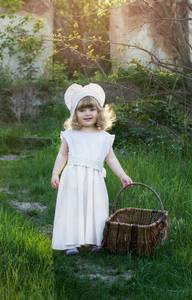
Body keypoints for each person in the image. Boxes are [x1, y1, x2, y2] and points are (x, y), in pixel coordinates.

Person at [50, 83, 132, 256]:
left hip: (94, 180)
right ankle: (70, 242)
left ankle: (94, 241)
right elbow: (62, 155)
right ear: (75, 114)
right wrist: (55, 173)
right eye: (82, 110)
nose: (87, 113)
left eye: (91, 109)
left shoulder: (103, 137)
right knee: (73, 208)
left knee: (96, 209)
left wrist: (122, 175)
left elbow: (110, 158)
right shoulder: (70, 134)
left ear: (99, 112)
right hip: (73, 178)